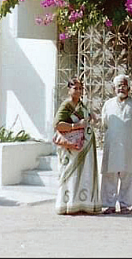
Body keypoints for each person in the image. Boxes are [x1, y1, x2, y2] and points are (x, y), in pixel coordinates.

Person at [54, 77, 101, 215]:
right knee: (70, 174)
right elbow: (58, 125)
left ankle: (83, 203)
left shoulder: (83, 105)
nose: (78, 91)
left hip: (85, 148)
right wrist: (76, 125)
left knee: (85, 174)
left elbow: (88, 119)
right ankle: (68, 204)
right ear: (69, 90)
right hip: (72, 147)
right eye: (75, 88)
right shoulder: (66, 105)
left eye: (80, 88)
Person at [100, 74, 132, 214]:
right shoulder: (108, 104)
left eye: (124, 85)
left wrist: (129, 135)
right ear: (114, 88)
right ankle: (109, 205)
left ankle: (125, 205)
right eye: (119, 85)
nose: (121, 88)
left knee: (127, 175)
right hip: (112, 145)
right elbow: (104, 124)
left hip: (128, 145)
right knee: (110, 175)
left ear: (129, 88)